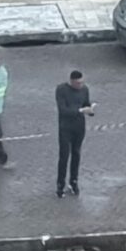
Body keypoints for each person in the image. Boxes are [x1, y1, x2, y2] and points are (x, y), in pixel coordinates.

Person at [55, 69, 95, 197]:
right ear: (71, 81)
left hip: (79, 127)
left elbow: (86, 104)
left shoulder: (85, 90)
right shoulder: (61, 90)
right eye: (78, 83)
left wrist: (90, 110)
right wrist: (80, 111)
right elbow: (63, 110)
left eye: (82, 83)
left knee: (76, 154)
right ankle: (60, 184)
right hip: (65, 128)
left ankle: (74, 181)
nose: (80, 86)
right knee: (64, 156)